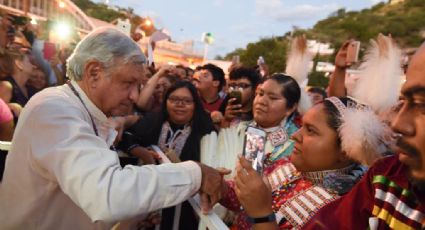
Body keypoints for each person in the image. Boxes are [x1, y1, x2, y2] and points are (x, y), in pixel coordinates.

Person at [0, 27, 228, 229]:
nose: (135, 96)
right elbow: (105, 193)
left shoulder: (88, 112)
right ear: (94, 73)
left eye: (138, 86)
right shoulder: (54, 108)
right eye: (128, 83)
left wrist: (135, 216)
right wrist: (195, 174)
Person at [302, 41, 425, 230]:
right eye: (405, 101)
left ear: (343, 151)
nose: (398, 124)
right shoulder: (386, 177)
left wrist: (262, 217)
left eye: (422, 104)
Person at [221, 96, 392, 229]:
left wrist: (262, 215)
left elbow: (256, 206)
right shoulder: (287, 165)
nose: (295, 135)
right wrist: (211, 180)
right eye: (302, 126)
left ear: (345, 151)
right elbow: (243, 197)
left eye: (311, 130)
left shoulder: (344, 209)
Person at [120, 81, 216, 230]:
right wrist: (139, 151)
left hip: (184, 206)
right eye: (174, 99)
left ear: (195, 104)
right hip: (150, 199)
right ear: (166, 102)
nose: (180, 104)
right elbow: (125, 137)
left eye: (187, 101)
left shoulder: (206, 132)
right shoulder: (154, 121)